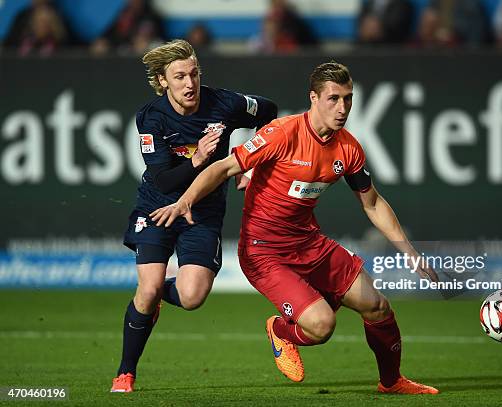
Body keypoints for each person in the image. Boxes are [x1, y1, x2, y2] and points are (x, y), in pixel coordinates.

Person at [151, 62, 440, 395]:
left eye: (348, 99)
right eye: (333, 99)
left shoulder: (348, 148)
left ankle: (391, 382)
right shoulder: (282, 133)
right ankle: (279, 329)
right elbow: (224, 167)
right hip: (264, 252)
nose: (342, 108)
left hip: (310, 244)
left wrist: (410, 253)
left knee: (376, 305)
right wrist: (185, 200)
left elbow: (372, 203)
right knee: (321, 326)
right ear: (313, 98)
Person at [110, 39, 278, 393]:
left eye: (194, 74)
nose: (190, 84)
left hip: (203, 211)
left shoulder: (225, 103)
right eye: (180, 77)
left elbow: (270, 113)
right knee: (150, 286)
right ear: (163, 81)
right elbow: (163, 179)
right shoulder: (150, 117)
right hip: (158, 207)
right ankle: (125, 373)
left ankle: (154, 301)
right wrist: (198, 159)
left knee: (192, 297)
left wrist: (253, 165)